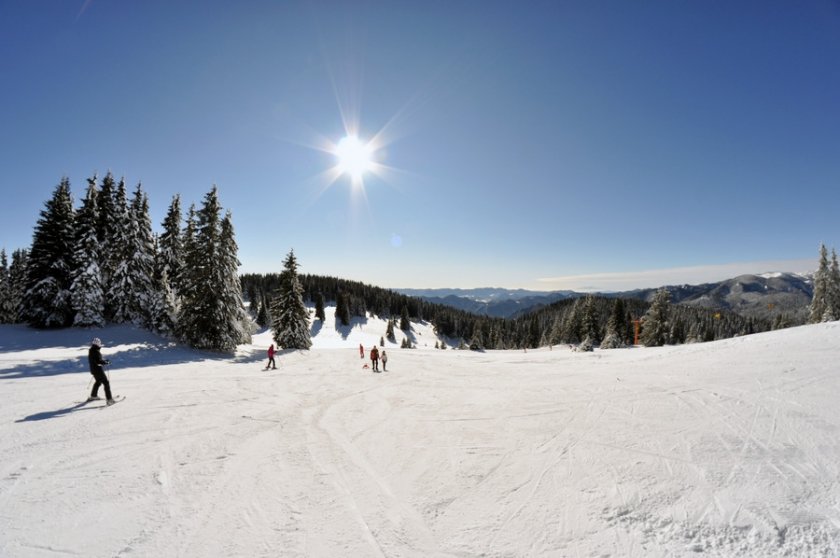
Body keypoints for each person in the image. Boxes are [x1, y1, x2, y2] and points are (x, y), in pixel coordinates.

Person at [87, 338, 115, 405]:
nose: (100, 345)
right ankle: (109, 399)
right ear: (98, 344)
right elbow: (98, 361)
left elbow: (97, 360)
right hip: (98, 370)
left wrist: (104, 361)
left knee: (98, 382)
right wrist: (106, 362)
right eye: (99, 343)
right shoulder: (96, 351)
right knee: (106, 383)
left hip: (94, 370)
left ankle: (93, 396)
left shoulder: (91, 350)